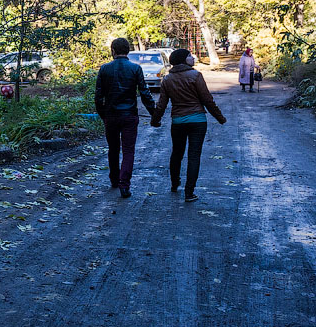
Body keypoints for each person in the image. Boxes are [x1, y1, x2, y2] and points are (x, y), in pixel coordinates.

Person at [151, 49, 226, 203]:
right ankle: (189, 193)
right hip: (198, 121)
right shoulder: (196, 76)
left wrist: (155, 120)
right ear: (183, 60)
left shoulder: (167, 80)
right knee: (194, 156)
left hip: (178, 121)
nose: (192, 58)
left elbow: (161, 105)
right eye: (190, 56)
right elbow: (207, 100)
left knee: (177, 153)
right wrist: (220, 118)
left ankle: (174, 184)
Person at [95, 38, 156, 199]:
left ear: (113, 50)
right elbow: (145, 93)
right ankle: (124, 184)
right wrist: (154, 114)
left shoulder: (104, 69)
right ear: (127, 51)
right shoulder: (135, 68)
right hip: (129, 115)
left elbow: (98, 97)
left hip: (111, 116)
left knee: (113, 149)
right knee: (128, 151)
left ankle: (114, 180)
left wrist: (104, 115)